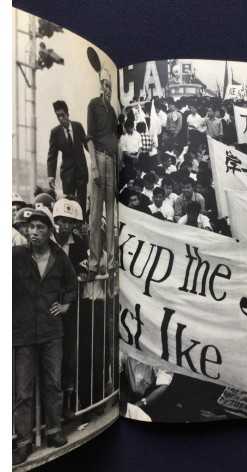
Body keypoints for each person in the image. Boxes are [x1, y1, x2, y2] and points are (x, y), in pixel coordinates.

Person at [13, 209, 77, 465]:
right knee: (23, 391)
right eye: (31, 227)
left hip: (52, 332)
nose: (34, 231)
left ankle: (54, 431)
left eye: (40, 227)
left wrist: (65, 305)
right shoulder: (16, 256)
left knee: (52, 384)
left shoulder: (60, 257)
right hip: (23, 332)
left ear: (49, 231)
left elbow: (71, 285)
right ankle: (23, 443)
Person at [53, 198, 88, 418]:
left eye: (70, 221)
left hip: (72, 306)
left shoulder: (80, 245)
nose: (65, 226)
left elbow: (83, 272)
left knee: (70, 353)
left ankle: (69, 401)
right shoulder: (48, 242)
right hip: (50, 307)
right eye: (62, 221)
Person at [87, 69, 118, 279]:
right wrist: (94, 166)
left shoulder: (113, 111)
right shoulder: (93, 104)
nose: (107, 89)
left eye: (110, 86)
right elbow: (89, 137)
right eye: (105, 85)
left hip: (111, 160)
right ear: (100, 85)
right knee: (96, 215)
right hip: (98, 157)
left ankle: (110, 262)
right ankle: (94, 262)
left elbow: (115, 140)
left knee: (111, 212)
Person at [47, 100, 89, 215]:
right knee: (69, 206)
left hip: (81, 172)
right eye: (58, 116)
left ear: (67, 114)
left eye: (62, 115)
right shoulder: (55, 132)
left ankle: (83, 228)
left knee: (82, 204)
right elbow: (52, 155)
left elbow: (87, 145)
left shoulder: (78, 127)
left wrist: (98, 156)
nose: (61, 118)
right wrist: (51, 175)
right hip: (67, 175)